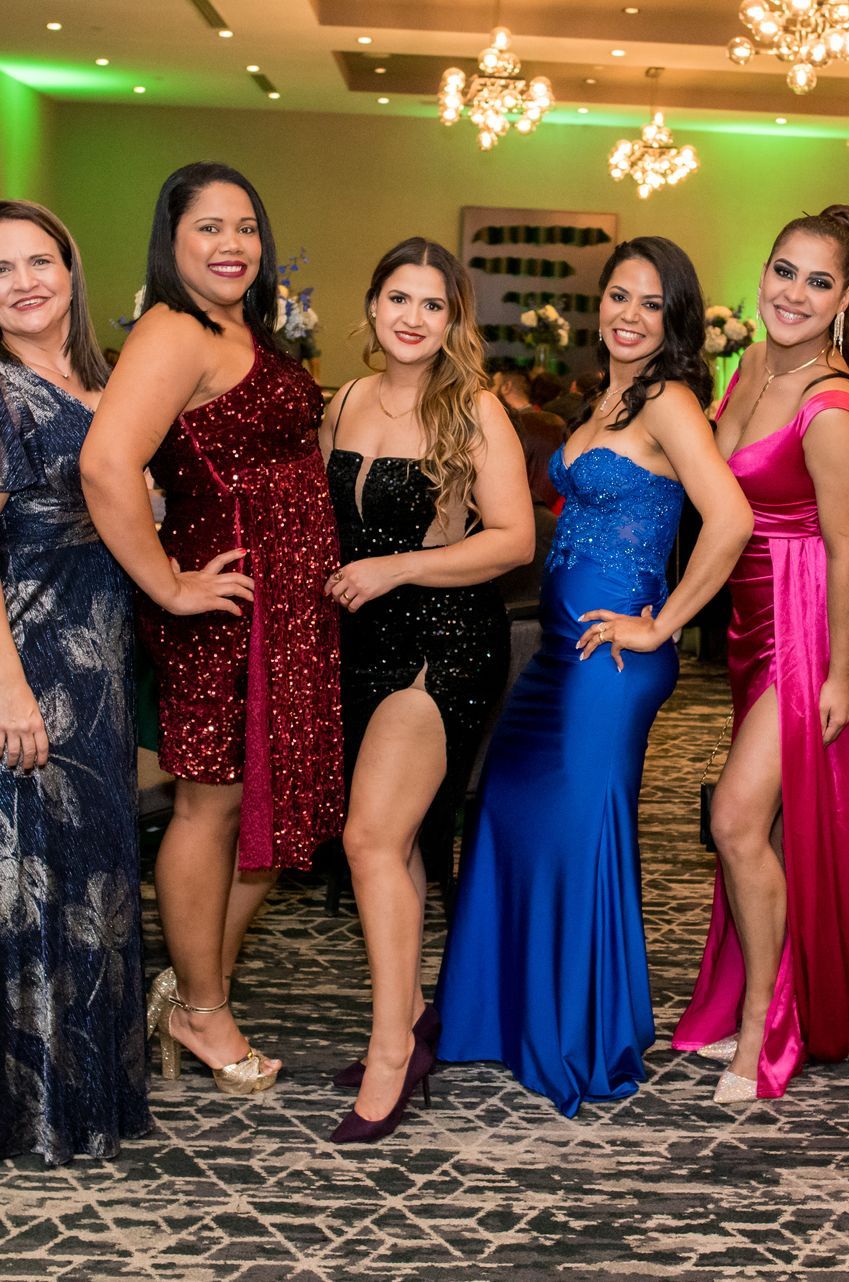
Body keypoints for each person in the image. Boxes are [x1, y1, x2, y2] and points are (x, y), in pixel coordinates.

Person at [433, 237, 752, 1116]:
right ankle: (506, 1016)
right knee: (506, 811)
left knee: (581, 835)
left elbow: (729, 518)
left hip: (612, 660)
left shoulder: (672, 401)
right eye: (618, 296)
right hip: (557, 655)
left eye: (651, 303)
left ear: (675, 319)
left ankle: (576, 1033)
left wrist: (664, 625)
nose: (628, 315)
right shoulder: (604, 399)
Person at [82, 161, 344, 1093]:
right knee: (213, 807)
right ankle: (201, 1006)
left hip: (287, 614)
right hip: (228, 611)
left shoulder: (241, 327)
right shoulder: (172, 328)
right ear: (173, 241)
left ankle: (197, 987)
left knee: (270, 812)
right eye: (209, 228)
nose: (233, 244)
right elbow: (107, 464)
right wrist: (168, 585)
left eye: (246, 226)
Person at [0, 199, 149, 1164]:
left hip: (100, 665)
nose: (24, 283)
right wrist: (6, 688)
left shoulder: (102, 381)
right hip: (27, 662)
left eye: (39, 261)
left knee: (90, 878)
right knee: (25, 883)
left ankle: (87, 1093)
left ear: (70, 268)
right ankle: (19, 1109)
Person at [320, 237, 533, 1142]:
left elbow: (517, 540)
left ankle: (390, 1052)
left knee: (369, 836)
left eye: (433, 304)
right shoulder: (343, 400)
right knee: (396, 838)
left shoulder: (474, 409)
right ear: (372, 306)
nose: (413, 317)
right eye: (398, 298)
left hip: (442, 642)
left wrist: (399, 568)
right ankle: (411, 1015)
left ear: (455, 321)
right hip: (357, 642)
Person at [670, 205, 849, 1105]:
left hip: (805, 621)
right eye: (783, 271)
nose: (794, 293)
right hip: (749, 621)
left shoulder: (833, 405)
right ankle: (741, 1002)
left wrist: (838, 675)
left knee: (736, 821)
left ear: (846, 299)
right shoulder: (749, 361)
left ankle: (766, 1027)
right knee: (754, 829)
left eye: (818, 281)